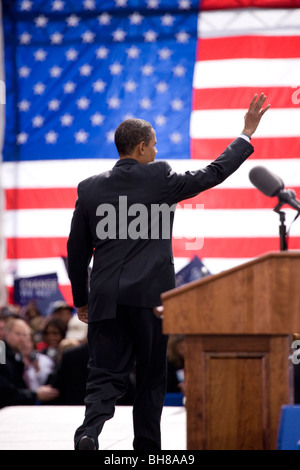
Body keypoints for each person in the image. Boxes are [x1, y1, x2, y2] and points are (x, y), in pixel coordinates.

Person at [67, 93, 270, 451]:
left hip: (106, 297)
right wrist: (246, 133)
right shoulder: (159, 178)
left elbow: (77, 251)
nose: (157, 153)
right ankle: (146, 449)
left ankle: (88, 433)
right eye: (155, 146)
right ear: (142, 147)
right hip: (151, 299)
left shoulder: (89, 188)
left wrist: (82, 300)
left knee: (103, 375)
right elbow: (214, 173)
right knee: (150, 378)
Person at [0, 317, 59, 407]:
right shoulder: (2, 353)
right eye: (18, 334)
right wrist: (35, 395)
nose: (22, 339)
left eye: (25, 335)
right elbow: (5, 391)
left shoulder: (15, 357)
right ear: (6, 333)